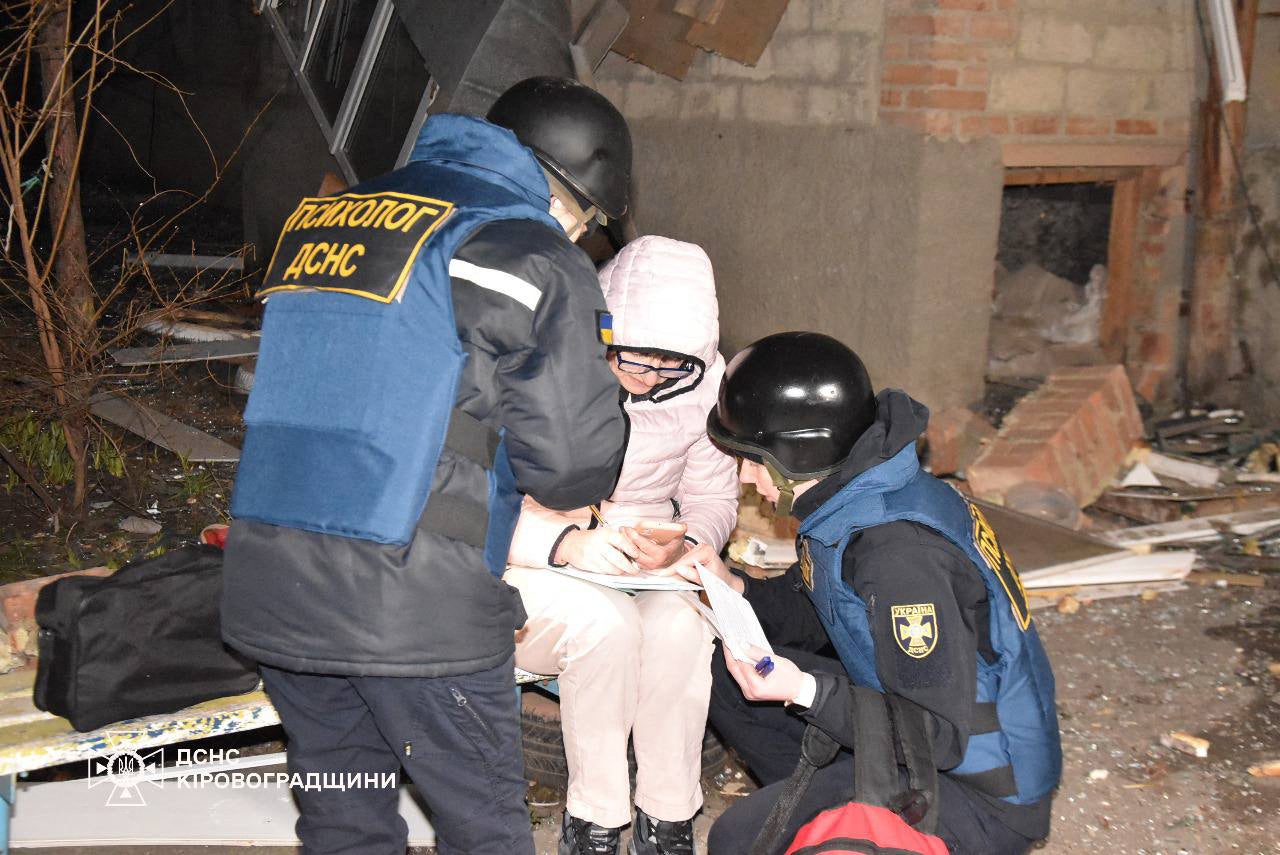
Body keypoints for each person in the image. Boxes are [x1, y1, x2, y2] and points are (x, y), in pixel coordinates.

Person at [221, 77, 632, 855]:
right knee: (485, 828)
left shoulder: (329, 218)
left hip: (273, 591)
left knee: (346, 818)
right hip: (414, 616)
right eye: (585, 222)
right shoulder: (522, 248)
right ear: (567, 192)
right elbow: (573, 470)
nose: (580, 238)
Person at [669, 332, 1062, 855]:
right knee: (728, 667)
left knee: (739, 841)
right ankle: (831, 806)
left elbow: (939, 736)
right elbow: (817, 605)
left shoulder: (899, 557)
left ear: (800, 452)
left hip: (979, 790)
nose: (745, 476)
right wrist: (731, 582)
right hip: (911, 718)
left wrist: (804, 691)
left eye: (755, 458)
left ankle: (864, 829)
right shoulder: (859, 490)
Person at [506, 236, 739, 855]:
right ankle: (596, 820)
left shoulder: (704, 386)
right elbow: (471, 500)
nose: (650, 379)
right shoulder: (534, 368)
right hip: (532, 548)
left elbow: (713, 500)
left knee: (683, 625)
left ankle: (667, 818)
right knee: (606, 626)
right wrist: (565, 544)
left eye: (672, 368)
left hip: (638, 562)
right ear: (603, 334)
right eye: (635, 359)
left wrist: (688, 542)